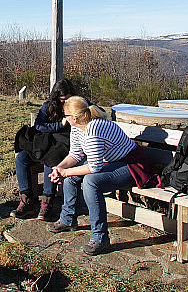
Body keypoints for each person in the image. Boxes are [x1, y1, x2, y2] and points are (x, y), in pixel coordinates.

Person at [46, 96, 156, 256]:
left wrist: (66, 172)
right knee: (71, 177)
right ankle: (67, 219)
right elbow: (75, 155)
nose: (65, 118)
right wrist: (60, 168)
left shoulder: (93, 129)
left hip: (132, 165)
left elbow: (94, 167)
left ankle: (100, 237)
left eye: (66, 115)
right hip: (111, 162)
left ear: (75, 118)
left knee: (91, 182)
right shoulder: (77, 128)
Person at [10, 78, 76, 221]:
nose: (65, 102)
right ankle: (27, 200)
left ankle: (47, 202)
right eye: (62, 99)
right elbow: (39, 125)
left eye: (68, 99)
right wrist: (60, 124)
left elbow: (97, 110)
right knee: (22, 158)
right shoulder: (49, 106)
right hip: (45, 141)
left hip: (64, 143)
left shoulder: (77, 103)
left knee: (50, 159)